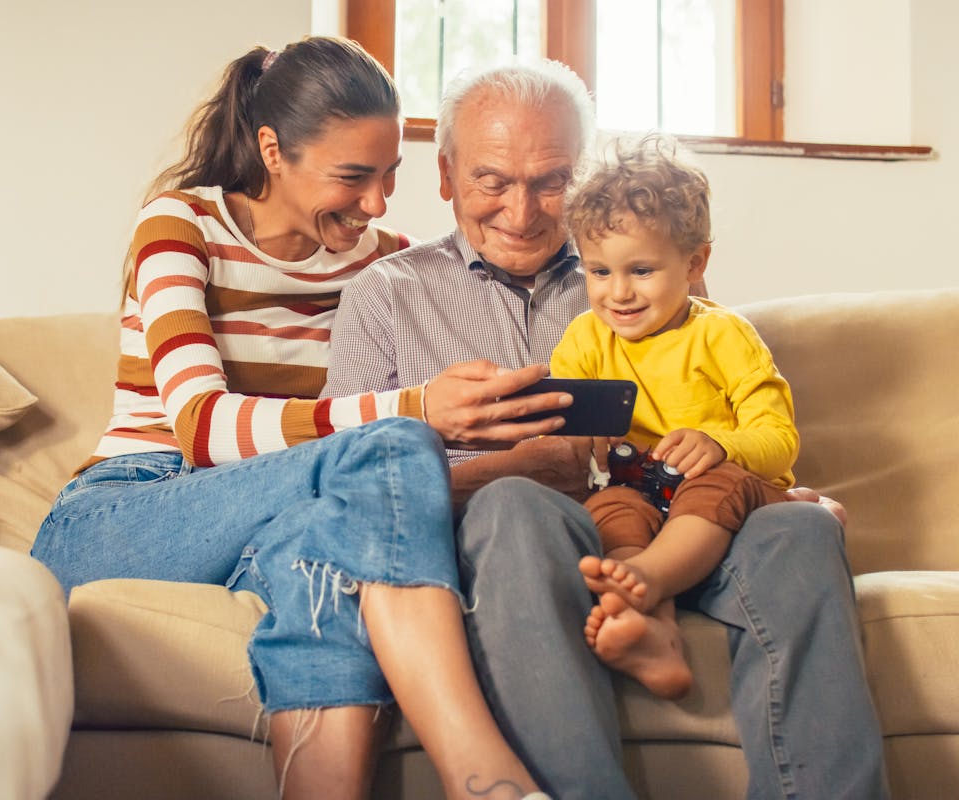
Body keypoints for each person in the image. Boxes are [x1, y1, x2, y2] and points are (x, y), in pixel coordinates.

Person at [324, 60, 890, 799]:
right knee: (513, 508)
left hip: (671, 511)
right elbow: (348, 488)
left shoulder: (643, 264)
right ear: (446, 174)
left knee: (805, 533)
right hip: (519, 536)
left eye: (551, 181)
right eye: (493, 181)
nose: (522, 213)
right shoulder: (384, 297)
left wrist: (763, 486)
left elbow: (720, 414)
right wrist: (521, 468)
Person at [29, 36, 571, 800]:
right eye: (353, 177)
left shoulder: (389, 265)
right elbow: (201, 429)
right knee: (388, 447)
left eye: (389, 177)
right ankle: (481, 773)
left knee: (334, 571)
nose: (377, 204)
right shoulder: (182, 226)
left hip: (279, 519)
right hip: (131, 508)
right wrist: (416, 410)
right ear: (273, 150)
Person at [550, 132, 798, 701]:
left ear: (695, 262)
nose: (618, 294)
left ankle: (651, 579)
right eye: (598, 272)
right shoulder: (585, 338)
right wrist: (572, 437)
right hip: (639, 489)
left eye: (641, 270)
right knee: (609, 506)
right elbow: (561, 429)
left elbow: (780, 439)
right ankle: (654, 633)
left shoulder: (723, 334)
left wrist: (720, 443)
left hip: (721, 493)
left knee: (715, 484)